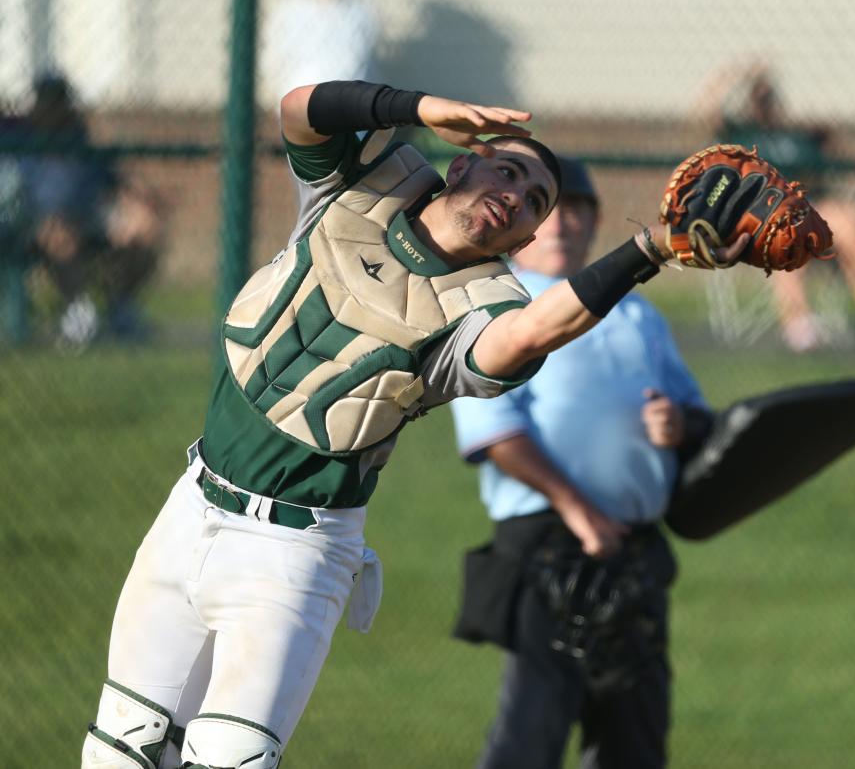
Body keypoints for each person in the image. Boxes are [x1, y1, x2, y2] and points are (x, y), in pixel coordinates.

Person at [81, 78, 747, 769]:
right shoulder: (363, 183)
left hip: (292, 552)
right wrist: (420, 109)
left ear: (526, 237)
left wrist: (652, 247)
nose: (515, 195)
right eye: (508, 170)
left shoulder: (485, 306)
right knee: (119, 751)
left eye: (533, 203)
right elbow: (298, 111)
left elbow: (528, 337)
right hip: (190, 506)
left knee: (226, 759)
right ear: (463, 162)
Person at [449, 158, 713, 769]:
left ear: (595, 221)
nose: (564, 222)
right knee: (532, 735)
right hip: (551, 544)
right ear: (524, 223)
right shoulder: (498, 304)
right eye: (551, 208)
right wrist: (579, 511)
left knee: (635, 736)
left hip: (633, 548)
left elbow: (700, 416)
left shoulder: (639, 313)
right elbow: (496, 434)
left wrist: (679, 424)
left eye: (578, 208)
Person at [698, 62, 855, 351]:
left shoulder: (798, 136)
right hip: (763, 217)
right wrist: (739, 72)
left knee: (851, 223)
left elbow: (833, 173)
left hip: (813, 208)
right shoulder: (741, 134)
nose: (765, 103)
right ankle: (799, 324)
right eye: (758, 97)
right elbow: (705, 111)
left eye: (770, 97)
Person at [14, 74, 163, 346]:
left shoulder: (79, 139)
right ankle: (79, 310)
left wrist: (137, 198)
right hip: (41, 222)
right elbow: (19, 194)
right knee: (59, 231)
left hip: (90, 216)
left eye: (60, 103)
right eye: (48, 104)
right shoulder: (25, 143)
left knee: (144, 226)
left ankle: (121, 306)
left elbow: (111, 178)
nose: (55, 111)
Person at [263, 0, 379, 109]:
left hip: (351, 101)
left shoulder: (359, 8)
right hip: (302, 99)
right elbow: (275, 58)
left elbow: (365, 58)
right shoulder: (292, 8)